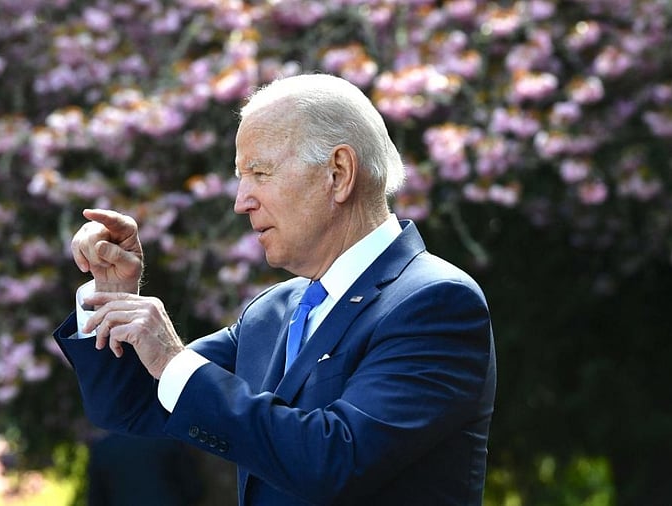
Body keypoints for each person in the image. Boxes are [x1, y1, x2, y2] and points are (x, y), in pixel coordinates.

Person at [53, 73, 496, 505]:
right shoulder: (272, 311)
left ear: (339, 173)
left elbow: (333, 461)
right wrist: (113, 298)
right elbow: (132, 407)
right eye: (240, 177)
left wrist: (173, 357)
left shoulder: (434, 301)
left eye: (260, 172)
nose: (241, 200)